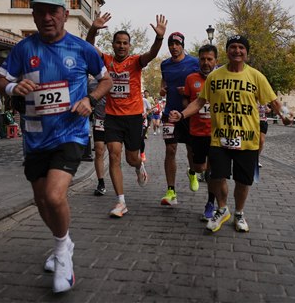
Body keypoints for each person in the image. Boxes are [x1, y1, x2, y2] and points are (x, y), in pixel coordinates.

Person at [0, 0, 112, 294]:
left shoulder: (82, 48)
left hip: (70, 133)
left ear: (64, 15)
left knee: (54, 195)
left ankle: (62, 256)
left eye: (53, 12)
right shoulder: (23, 48)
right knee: (42, 200)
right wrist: (13, 87)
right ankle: (64, 242)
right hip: (35, 137)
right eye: (41, 12)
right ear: (33, 16)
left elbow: (107, 80)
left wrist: (90, 99)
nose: (47, 18)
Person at [170, 35, 291, 233]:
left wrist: (285, 115)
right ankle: (222, 208)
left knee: (243, 181)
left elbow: (274, 101)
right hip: (220, 138)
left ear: (246, 52)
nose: (237, 51)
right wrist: (182, 114)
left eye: (241, 47)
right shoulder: (215, 77)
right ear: (227, 51)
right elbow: (199, 102)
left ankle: (239, 213)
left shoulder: (256, 76)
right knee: (216, 176)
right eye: (233, 47)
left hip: (247, 139)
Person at [86, 12, 167, 218]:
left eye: (125, 43)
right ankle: (121, 202)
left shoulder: (135, 62)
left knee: (131, 159)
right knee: (114, 154)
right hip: (112, 116)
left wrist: (159, 37)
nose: (121, 46)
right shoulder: (106, 60)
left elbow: (152, 53)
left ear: (129, 46)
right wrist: (93, 29)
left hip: (133, 117)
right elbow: (88, 47)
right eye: (118, 43)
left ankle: (139, 165)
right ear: (113, 45)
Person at [159, 32, 199, 206]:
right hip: (170, 113)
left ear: (182, 45)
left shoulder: (194, 63)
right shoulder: (164, 64)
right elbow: (164, 82)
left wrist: (189, 91)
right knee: (170, 150)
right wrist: (162, 89)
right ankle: (171, 191)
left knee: (191, 151)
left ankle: (192, 172)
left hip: (189, 114)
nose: (174, 47)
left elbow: (202, 83)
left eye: (177, 44)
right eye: (171, 44)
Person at [183, 44, 219, 221]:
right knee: (200, 168)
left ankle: (210, 204)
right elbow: (186, 100)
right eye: (203, 59)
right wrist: (186, 111)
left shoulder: (222, 78)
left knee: (213, 171)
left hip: (216, 133)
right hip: (197, 131)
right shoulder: (191, 79)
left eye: (209, 59)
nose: (206, 62)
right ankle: (192, 171)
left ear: (216, 61)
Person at [89, 76, 107, 196]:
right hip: (99, 120)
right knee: (99, 151)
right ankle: (101, 183)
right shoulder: (91, 84)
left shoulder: (114, 80)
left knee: (115, 153)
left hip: (115, 120)